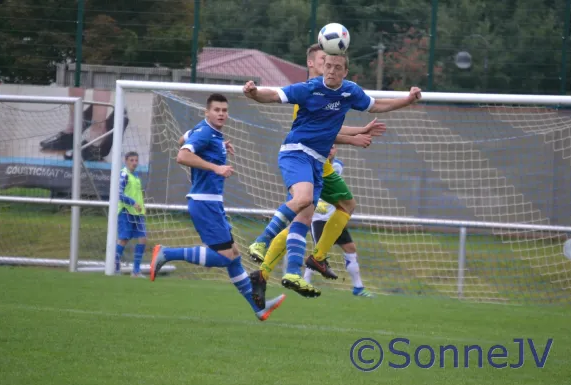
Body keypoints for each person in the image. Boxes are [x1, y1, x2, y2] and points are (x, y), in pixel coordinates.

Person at [242, 51, 421, 302]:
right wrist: (254, 93)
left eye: (337, 66)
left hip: (317, 161)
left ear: (345, 71)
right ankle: (268, 245)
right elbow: (274, 96)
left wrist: (407, 100)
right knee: (307, 203)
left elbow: (373, 107)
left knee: (307, 215)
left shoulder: (349, 92)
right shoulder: (308, 90)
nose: (331, 70)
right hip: (300, 154)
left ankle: (285, 271)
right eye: (327, 64)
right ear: (316, 65)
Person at [149, 93, 286, 322]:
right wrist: (216, 167)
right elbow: (182, 155)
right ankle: (166, 253)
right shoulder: (205, 132)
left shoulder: (210, 134)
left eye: (224, 110)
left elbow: (183, 139)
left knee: (233, 256)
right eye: (217, 110)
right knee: (224, 257)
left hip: (211, 203)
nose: (221, 113)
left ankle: (258, 308)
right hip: (204, 202)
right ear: (207, 112)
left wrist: (217, 145)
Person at [304, 145, 373, 297]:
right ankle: (305, 282)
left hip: (335, 217)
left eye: (333, 148)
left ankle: (358, 287)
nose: (330, 150)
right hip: (319, 218)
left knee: (350, 248)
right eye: (327, 147)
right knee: (318, 254)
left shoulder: (337, 166)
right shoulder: (316, 165)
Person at [115, 151, 147, 277]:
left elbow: (137, 194)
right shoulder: (124, 174)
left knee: (143, 239)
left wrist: (142, 207)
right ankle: (115, 267)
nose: (134, 163)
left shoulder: (136, 176)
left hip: (138, 213)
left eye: (136, 160)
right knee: (124, 239)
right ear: (126, 161)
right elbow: (119, 194)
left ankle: (136, 271)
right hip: (126, 211)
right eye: (132, 160)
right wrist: (132, 202)